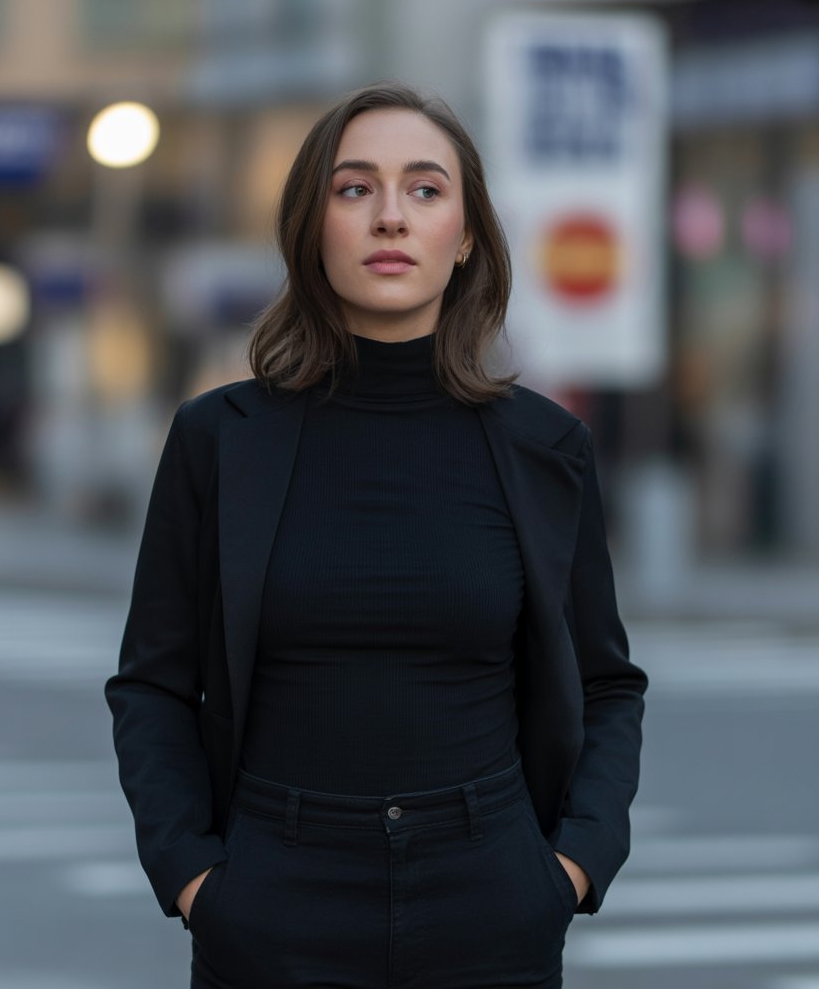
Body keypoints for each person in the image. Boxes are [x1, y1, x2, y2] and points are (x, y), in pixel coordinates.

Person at [105, 80, 647, 989]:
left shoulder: (545, 447)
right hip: (273, 904)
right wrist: (195, 880)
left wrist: (571, 869)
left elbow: (606, 684)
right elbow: (153, 684)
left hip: (491, 902)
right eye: (355, 189)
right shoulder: (218, 441)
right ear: (311, 227)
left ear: (467, 234)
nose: (390, 217)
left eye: (426, 190)